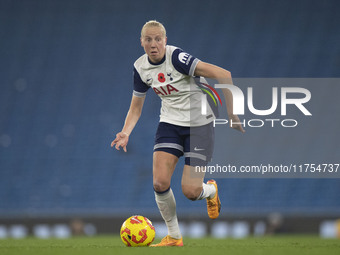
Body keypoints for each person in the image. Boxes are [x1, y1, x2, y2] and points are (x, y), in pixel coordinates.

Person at [111, 20, 244, 247]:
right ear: (141, 42)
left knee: (191, 192)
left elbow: (224, 74)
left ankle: (210, 191)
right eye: (148, 39)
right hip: (170, 124)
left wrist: (234, 115)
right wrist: (125, 132)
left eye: (158, 39)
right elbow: (136, 106)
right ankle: (174, 236)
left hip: (200, 124)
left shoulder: (177, 59)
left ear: (165, 40)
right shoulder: (140, 67)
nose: (154, 44)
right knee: (160, 183)